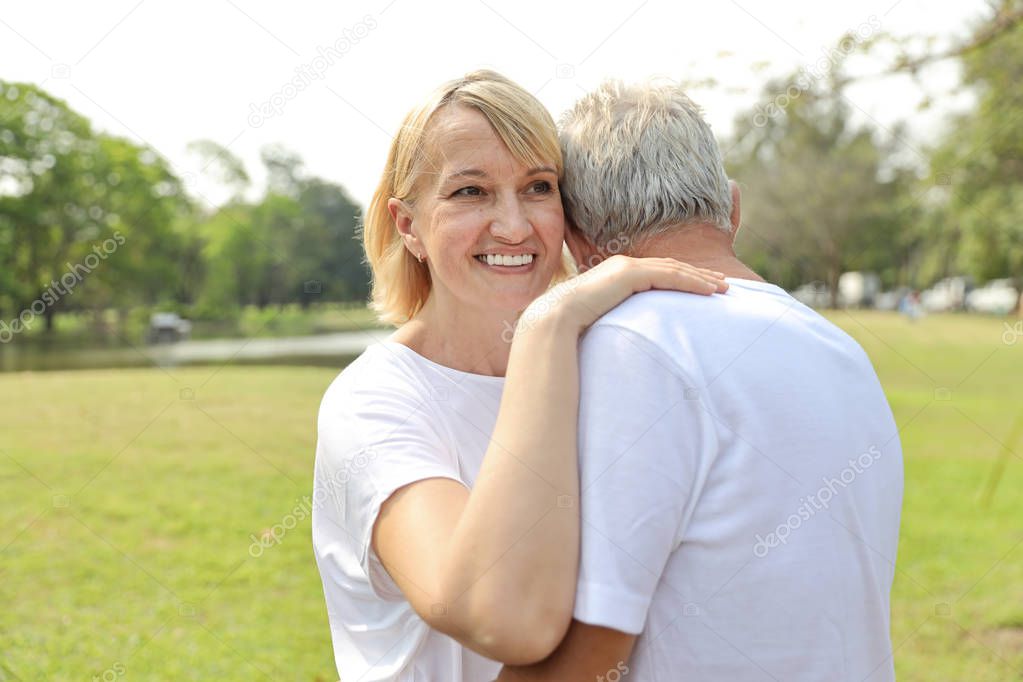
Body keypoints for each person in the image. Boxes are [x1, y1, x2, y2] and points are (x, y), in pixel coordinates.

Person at [310, 70, 728, 682]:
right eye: (470, 193)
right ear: (408, 226)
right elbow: (496, 615)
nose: (513, 226)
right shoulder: (372, 403)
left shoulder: (607, 366)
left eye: (538, 187)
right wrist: (549, 324)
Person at [499, 80, 904, 681]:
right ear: (734, 210)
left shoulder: (632, 346)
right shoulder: (839, 348)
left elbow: (590, 653)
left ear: (579, 246)